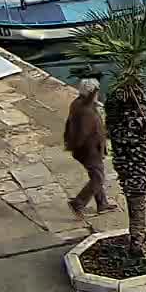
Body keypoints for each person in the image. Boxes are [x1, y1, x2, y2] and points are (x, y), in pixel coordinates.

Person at [63, 79, 114, 219]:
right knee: (98, 178)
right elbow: (85, 133)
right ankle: (78, 203)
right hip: (90, 151)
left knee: (96, 176)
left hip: (86, 150)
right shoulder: (86, 111)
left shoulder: (78, 104)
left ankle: (102, 204)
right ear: (93, 93)